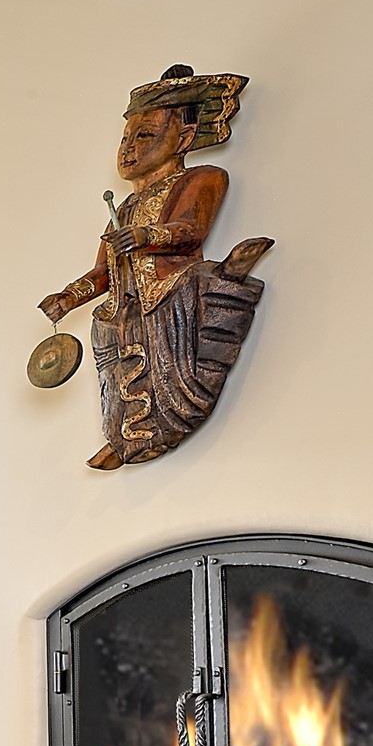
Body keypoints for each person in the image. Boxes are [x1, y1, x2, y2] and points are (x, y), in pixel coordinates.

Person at [40, 66, 273, 470]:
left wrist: (146, 236)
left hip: (169, 293)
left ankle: (170, 417)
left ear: (183, 138)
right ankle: (123, 434)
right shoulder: (125, 206)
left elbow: (190, 230)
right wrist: (69, 296)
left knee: (188, 313)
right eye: (125, 138)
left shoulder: (203, 179)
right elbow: (104, 270)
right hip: (126, 305)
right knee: (106, 335)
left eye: (144, 135)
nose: (129, 148)